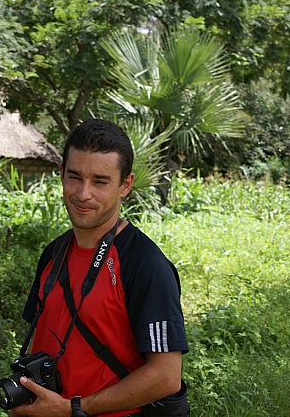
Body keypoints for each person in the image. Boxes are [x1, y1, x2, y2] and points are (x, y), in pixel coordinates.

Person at [10, 119, 189, 417]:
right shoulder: (54, 252)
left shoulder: (145, 265)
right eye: (74, 177)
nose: (83, 194)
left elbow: (166, 376)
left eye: (100, 182)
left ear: (125, 185)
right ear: (61, 175)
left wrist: (73, 409)